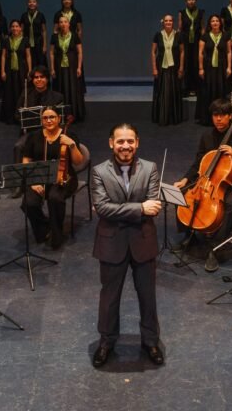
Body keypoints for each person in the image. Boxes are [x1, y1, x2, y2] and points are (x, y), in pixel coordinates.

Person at [90, 123, 165, 368]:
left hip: (143, 241)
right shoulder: (99, 171)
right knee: (109, 297)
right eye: (120, 141)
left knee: (148, 296)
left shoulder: (151, 168)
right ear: (111, 143)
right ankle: (107, 341)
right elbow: (102, 207)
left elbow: (152, 205)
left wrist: (123, 211)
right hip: (111, 244)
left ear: (137, 142)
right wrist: (140, 208)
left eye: (130, 141)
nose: (125, 146)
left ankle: (151, 341)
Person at [173, 98, 232, 273]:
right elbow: (198, 163)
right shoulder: (207, 136)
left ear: (229, 117)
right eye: (215, 115)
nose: (218, 119)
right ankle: (189, 235)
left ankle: (215, 249)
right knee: (181, 193)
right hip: (208, 180)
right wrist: (186, 179)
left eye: (222, 115)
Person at [21, 106, 84, 250]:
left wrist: (72, 145)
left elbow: (79, 161)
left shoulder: (69, 135)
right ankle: (44, 227)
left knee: (55, 197)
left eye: (52, 117)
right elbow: (26, 158)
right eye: (45, 118)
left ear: (59, 119)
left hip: (64, 177)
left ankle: (57, 233)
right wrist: (32, 180)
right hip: (39, 176)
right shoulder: (34, 136)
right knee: (29, 203)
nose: (49, 121)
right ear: (41, 120)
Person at [13, 67, 64, 167]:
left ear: (47, 79)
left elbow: (61, 119)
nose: (39, 79)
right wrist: (24, 119)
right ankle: (20, 178)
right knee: (18, 146)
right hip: (30, 133)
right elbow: (16, 114)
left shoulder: (57, 97)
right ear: (32, 80)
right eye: (36, 77)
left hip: (50, 132)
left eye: (42, 77)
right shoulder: (26, 95)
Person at [195, 15, 231, 125]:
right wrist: (201, 68)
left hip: (221, 66)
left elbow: (229, 52)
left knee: (220, 90)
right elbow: (200, 53)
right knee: (207, 91)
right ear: (210, 24)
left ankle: (222, 117)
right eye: (212, 21)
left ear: (220, 23)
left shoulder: (226, 35)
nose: (215, 23)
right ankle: (207, 118)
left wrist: (229, 67)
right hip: (208, 67)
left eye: (217, 21)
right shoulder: (205, 36)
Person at [49, 15, 86, 122]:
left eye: (65, 22)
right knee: (60, 88)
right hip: (59, 66)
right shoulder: (54, 37)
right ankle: (60, 114)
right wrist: (52, 68)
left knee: (73, 89)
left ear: (69, 24)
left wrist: (79, 67)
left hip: (72, 66)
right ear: (58, 25)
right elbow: (51, 53)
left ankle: (74, 113)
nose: (63, 24)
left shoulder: (74, 36)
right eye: (61, 22)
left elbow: (80, 52)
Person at [151, 14, 184, 126]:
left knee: (174, 92)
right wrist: (154, 68)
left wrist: (181, 68)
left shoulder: (178, 35)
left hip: (175, 67)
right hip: (161, 68)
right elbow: (153, 52)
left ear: (173, 22)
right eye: (166, 21)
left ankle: (173, 118)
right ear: (163, 23)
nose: (168, 22)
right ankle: (161, 117)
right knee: (161, 92)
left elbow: (182, 52)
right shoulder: (158, 35)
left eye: (170, 21)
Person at [0, 20, 32, 124]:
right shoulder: (6, 40)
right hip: (9, 69)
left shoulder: (25, 40)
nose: (15, 28)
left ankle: (21, 116)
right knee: (9, 93)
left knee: (21, 92)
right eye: (13, 26)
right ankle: (10, 116)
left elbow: (28, 56)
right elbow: (3, 56)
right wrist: (2, 71)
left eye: (17, 26)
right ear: (10, 28)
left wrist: (30, 70)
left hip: (22, 70)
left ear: (20, 28)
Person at [54, 0, 86, 93]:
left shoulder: (77, 14)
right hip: (61, 41)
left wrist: (77, 41)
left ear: (72, 1)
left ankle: (78, 89)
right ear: (62, 1)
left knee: (76, 65)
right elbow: (55, 30)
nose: (66, 1)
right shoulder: (58, 14)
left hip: (72, 42)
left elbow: (79, 29)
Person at [177, 0, 205, 96]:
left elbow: (202, 28)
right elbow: (180, 28)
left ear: (196, 0)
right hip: (185, 41)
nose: (191, 1)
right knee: (186, 63)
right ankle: (185, 88)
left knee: (196, 63)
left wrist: (204, 40)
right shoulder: (182, 12)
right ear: (185, 1)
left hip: (197, 41)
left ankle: (196, 88)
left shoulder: (201, 12)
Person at [21, 0, 47, 69]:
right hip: (27, 41)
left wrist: (44, 45)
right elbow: (21, 30)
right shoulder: (24, 16)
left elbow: (44, 31)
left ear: (37, 4)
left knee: (40, 62)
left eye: (34, 2)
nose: (32, 3)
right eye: (30, 2)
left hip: (38, 41)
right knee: (28, 62)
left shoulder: (41, 15)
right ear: (27, 4)